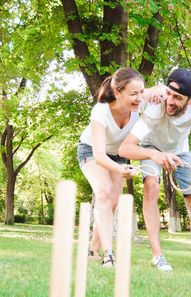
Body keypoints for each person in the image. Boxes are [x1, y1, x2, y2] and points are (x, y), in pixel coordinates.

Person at [119, 68, 191, 271]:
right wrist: (155, 155)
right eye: (168, 93)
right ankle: (158, 256)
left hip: (180, 151)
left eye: (177, 97)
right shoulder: (154, 107)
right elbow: (126, 147)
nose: (170, 101)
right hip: (150, 148)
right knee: (151, 184)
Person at [77, 67, 152, 268]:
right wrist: (120, 170)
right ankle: (108, 255)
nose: (139, 98)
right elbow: (99, 155)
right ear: (117, 93)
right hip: (91, 150)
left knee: (111, 202)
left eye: (142, 92)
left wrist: (159, 91)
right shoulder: (101, 111)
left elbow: (161, 89)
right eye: (133, 94)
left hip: (118, 153)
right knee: (104, 193)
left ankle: (92, 250)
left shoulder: (141, 103)